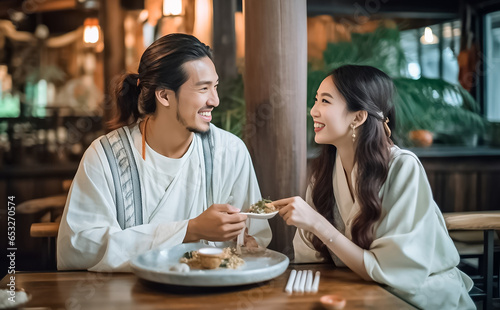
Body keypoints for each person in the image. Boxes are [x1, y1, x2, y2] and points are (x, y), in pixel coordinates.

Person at [57, 33, 271, 272]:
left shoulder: (230, 152)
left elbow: (255, 234)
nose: (215, 100)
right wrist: (189, 230)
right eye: (203, 89)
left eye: (216, 87)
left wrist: (248, 242)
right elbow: (78, 248)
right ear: (164, 95)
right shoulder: (105, 156)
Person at [273, 65, 474, 309]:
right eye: (316, 100)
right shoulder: (324, 174)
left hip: (415, 297)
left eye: (325, 101)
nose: (313, 110)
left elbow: (393, 272)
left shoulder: (402, 168)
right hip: (351, 291)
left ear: (358, 117)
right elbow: (310, 261)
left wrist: (317, 223)